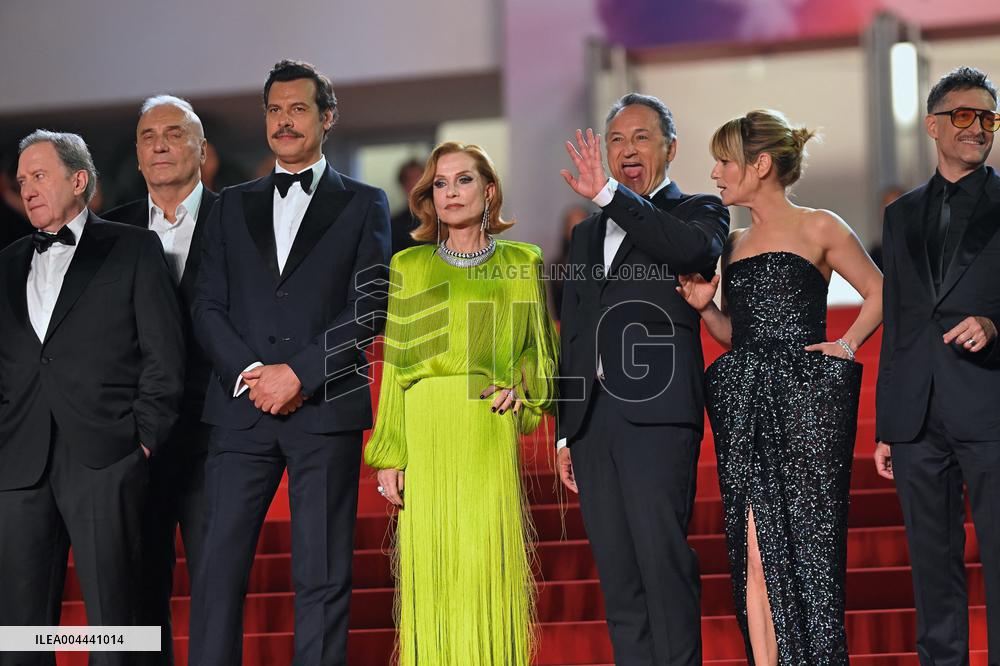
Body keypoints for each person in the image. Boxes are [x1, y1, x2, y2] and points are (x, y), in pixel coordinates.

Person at [188, 59, 391, 666]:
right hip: (239, 413)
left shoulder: (365, 203)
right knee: (216, 572)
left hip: (323, 410)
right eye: (274, 110)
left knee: (322, 577)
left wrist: (300, 373)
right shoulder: (229, 205)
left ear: (327, 118)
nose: (284, 121)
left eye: (298, 109)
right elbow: (205, 305)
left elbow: (372, 303)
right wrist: (255, 376)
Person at [676, 109, 883, 664]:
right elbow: (733, 335)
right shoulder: (732, 240)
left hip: (807, 404)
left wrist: (846, 346)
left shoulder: (821, 225)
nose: (715, 173)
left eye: (724, 161)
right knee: (752, 552)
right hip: (744, 402)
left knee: (812, 554)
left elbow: (880, 291)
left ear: (760, 163)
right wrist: (705, 310)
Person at [365, 141, 557, 666]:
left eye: (464, 180)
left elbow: (539, 355)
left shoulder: (523, 262)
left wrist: (520, 385)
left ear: (489, 190)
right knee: (434, 571)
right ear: (430, 197)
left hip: (485, 428)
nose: (451, 192)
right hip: (426, 429)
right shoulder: (408, 266)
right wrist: (390, 452)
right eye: (441, 183)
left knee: (483, 564)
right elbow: (397, 364)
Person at [557, 92, 730, 665]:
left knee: (662, 563)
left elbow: (692, 253)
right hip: (592, 424)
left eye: (641, 138)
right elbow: (574, 330)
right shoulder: (585, 234)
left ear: (670, 148)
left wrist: (610, 195)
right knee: (619, 576)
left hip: (657, 417)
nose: (627, 150)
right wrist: (565, 428)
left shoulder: (698, 212)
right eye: (615, 140)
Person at [0, 130, 184, 666]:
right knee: (19, 632)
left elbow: (164, 357)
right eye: (20, 181)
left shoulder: (132, 247)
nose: (28, 189)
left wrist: (142, 443)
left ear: (79, 180)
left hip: (107, 458)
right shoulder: (5, 262)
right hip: (18, 467)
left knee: (115, 626)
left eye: (39, 176)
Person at [874, 66, 1000, 665]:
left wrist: (995, 325)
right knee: (932, 563)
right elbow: (898, 321)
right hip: (918, 417)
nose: (978, 128)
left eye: (988, 118)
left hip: (991, 404)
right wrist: (888, 424)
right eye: (964, 116)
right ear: (933, 125)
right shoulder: (900, 216)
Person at [102, 94, 218, 666]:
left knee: (213, 589)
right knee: (139, 590)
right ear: (138, 155)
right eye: (148, 137)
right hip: (136, 440)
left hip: (213, 435)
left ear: (202, 149)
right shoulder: (108, 230)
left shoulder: (239, 221)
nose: (161, 145)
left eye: (174, 133)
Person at [389, 157, 425, 255]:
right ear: (403, 185)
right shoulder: (394, 225)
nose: (415, 185)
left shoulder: (443, 219)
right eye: (410, 180)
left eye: (419, 179)